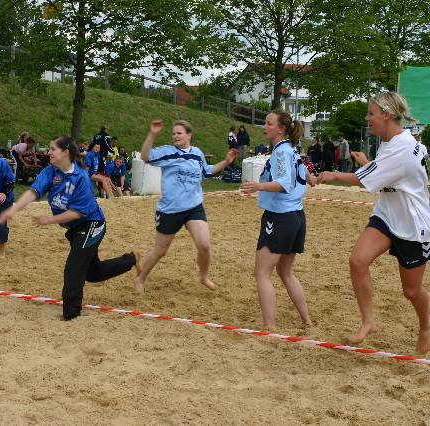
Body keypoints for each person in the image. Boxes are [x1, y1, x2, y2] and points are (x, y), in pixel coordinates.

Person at [318, 91, 430, 354]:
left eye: (371, 113)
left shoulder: (402, 147)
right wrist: (369, 165)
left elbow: (366, 178)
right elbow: (387, 173)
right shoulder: (391, 141)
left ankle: (426, 326)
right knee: (358, 261)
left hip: (413, 223)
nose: (367, 118)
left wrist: (334, 174)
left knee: (411, 291)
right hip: (387, 214)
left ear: (387, 115)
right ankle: (368, 322)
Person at [0, 135, 140, 320]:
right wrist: (13, 209)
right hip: (75, 229)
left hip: (92, 224)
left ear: (65, 152)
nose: (49, 152)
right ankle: (131, 259)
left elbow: (76, 213)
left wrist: (49, 220)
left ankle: (71, 314)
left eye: (52, 149)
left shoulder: (81, 177)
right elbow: (33, 192)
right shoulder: (50, 171)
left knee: (73, 268)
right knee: (93, 273)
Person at [135, 119, 237, 293]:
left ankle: (203, 277)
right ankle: (140, 278)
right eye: (173, 133)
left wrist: (226, 161)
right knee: (160, 251)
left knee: (204, 245)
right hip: (170, 209)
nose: (175, 136)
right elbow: (145, 157)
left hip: (193, 207)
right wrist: (152, 134)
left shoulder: (197, 153)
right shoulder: (168, 152)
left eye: (179, 133)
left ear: (189, 135)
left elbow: (207, 171)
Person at [241, 110, 316, 329]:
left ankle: (270, 326)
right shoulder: (291, 150)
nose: (265, 126)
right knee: (285, 272)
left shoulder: (282, 152)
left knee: (262, 273)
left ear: (281, 129)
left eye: (269, 123)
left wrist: (258, 186)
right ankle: (307, 320)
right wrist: (311, 178)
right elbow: (305, 174)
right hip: (297, 217)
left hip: (280, 217)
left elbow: (283, 183)